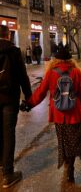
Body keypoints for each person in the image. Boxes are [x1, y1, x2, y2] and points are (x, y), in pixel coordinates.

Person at [23, 46, 81, 182]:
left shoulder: (51, 72)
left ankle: (65, 163)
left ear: (56, 59)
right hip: (74, 113)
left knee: (63, 141)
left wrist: (29, 104)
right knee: (74, 141)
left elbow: (40, 92)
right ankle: (71, 168)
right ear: (70, 59)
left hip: (58, 114)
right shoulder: (76, 71)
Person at [0, 25, 32, 189]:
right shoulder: (13, 51)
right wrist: (28, 96)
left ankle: (1, 166)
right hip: (10, 98)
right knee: (8, 133)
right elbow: (22, 76)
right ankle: (7, 173)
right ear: (8, 35)